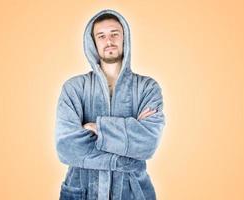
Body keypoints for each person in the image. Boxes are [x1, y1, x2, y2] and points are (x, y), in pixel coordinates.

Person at [55, 9, 166, 200]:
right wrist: (130, 132)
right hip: (81, 192)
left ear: (125, 38)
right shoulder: (73, 88)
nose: (109, 41)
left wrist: (98, 128)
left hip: (133, 193)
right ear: (93, 43)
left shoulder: (147, 88)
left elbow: (148, 144)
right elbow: (67, 147)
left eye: (115, 34)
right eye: (101, 36)